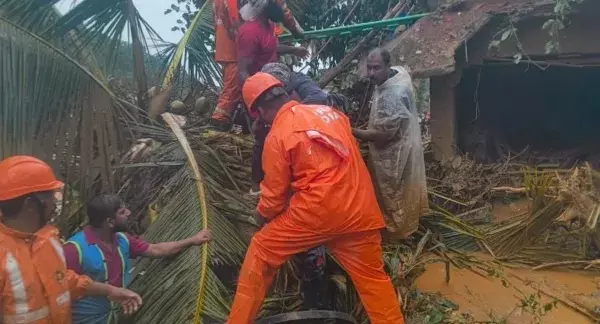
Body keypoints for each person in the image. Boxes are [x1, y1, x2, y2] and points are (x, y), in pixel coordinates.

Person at [226, 73, 405, 323]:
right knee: (374, 282)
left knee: (261, 251)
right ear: (287, 94)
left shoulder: (277, 135)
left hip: (315, 214)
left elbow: (274, 199)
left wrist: (260, 214)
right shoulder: (333, 115)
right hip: (360, 211)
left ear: (260, 112)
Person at [0, 155, 142, 324]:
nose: (54, 202)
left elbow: (63, 280)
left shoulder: (47, 240)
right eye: (50, 196)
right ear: (30, 205)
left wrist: (110, 290)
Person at [64, 193, 211, 324]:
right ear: (109, 221)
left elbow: (155, 249)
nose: (128, 213)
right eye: (122, 212)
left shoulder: (122, 239)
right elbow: (64, 289)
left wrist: (192, 240)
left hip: (118, 316)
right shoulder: (74, 249)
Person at [352, 48, 429, 239]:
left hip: (395, 151)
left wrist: (351, 131)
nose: (371, 73)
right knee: (397, 191)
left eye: (376, 68)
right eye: (369, 68)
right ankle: (400, 229)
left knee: (393, 193)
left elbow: (383, 134)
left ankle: (397, 234)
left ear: (388, 65)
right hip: (402, 142)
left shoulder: (393, 94)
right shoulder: (397, 75)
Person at [210, 0, 243, 128]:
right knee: (232, 86)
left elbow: (216, 23)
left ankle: (226, 116)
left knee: (231, 84)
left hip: (224, 46)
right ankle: (220, 117)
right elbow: (234, 22)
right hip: (233, 48)